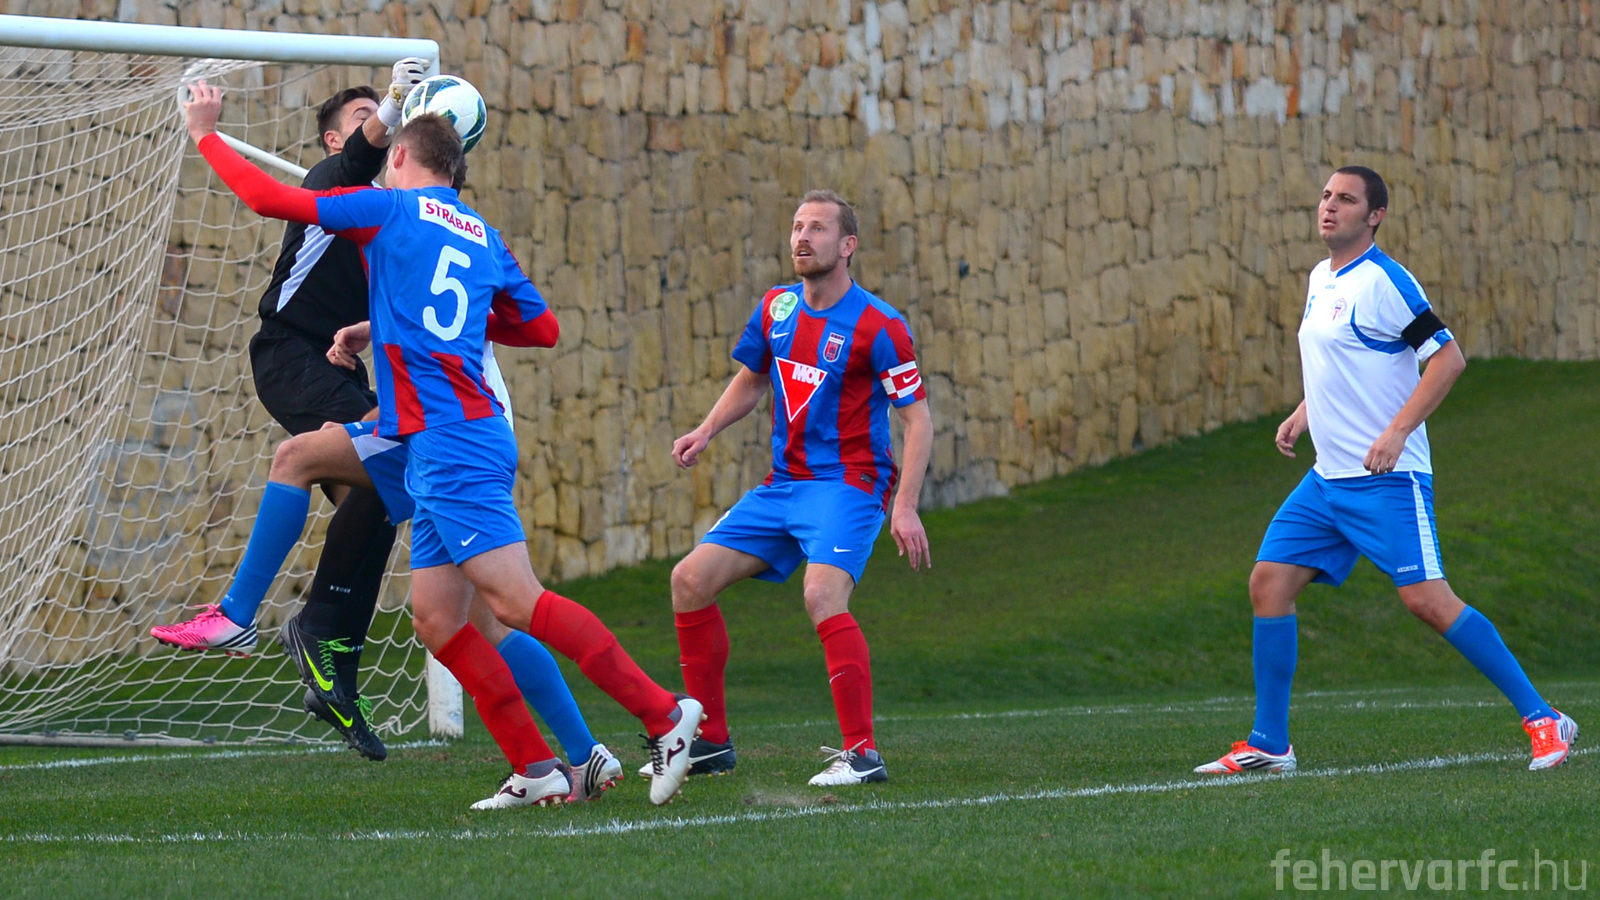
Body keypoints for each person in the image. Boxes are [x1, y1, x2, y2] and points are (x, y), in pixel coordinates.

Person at [181, 81, 703, 808]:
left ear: (397, 156)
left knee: (515, 603)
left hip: (454, 438)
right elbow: (543, 328)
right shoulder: (481, 232)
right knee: (436, 617)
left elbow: (270, 200)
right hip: (438, 436)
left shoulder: (389, 208)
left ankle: (664, 715)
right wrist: (411, 326)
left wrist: (204, 132)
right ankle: (537, 767)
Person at [1195, 166, 1577, 775]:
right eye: (1325, 195)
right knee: (1268, 583)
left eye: (1345, 199)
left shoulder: (1385, 281)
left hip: (1388, 483)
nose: (1329, 206)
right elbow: (1343, 363)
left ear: (1374, 216)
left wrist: (1398, 432)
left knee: (1427, 600)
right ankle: (1270, 743)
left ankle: (1544, 717)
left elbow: (1448, 359)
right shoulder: (1321, 277)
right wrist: (1304, 413)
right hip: (1327, 481)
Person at [150, 60, 432, 759]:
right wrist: (396, 97)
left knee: (378, 500)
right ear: (337, 142)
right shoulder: (331, 178)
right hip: (290, 353)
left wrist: (367, 331)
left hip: (335, 363)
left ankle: (333, 671)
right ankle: (250, 616)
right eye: (363, 118)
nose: (381, 124)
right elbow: (362, 150)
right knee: (375, 464)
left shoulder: (394, 214)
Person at [665, 189, 933, 787]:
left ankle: (861, 755)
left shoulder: (880, 325)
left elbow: (918, 420)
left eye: (817, 228)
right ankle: (710, 743)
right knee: (688, 582)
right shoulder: (776, 307)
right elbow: (752, 379)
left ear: (848, 245)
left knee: (821, 595)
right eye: (796, 227)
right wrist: (705, 430)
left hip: (849, 485)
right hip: (784, 486)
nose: (802, 238)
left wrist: (906, 506)